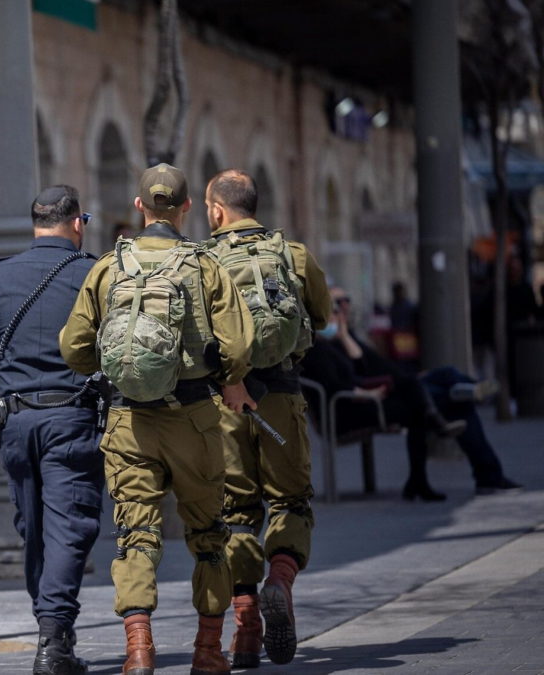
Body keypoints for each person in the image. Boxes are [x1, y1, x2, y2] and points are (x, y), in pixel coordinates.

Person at [60, 163, 255, 675]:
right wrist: (226, 376)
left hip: (129, 423)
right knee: (210, 534)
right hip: (194, 418)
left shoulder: (108, 265)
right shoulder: (204, 265)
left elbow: (74, 347)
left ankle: (139, 649)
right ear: (188, 207)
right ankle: (209, 652)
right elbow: (239, 344)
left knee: (134, 534)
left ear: (138, 206)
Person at [201, 169, 331, 668]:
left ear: (216, 211)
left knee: (233, 512)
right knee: (291, 501)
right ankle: (281, 578)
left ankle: (248, 630)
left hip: (225, 401)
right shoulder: (293, 254)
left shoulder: (205, 260)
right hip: (281, 394)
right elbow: (318, 317)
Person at [0, 185, 101, 675]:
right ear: (76, 223)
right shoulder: (92, 274)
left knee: (35, 530)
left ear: (35, 224)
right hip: (71, 417)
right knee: (69, 528)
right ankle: (53, 641)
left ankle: (54, 631)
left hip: (16, 420)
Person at [301, 287, 521, 500]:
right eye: (336, 305)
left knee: (443, 380)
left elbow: (367, 365)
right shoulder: (316, 348)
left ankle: (463, 397)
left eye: (345, 301)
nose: (342, 308)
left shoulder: (340, 338)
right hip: (356, 408)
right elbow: (341, 384)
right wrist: (368, 391)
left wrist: (345, 336)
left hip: (378, 394)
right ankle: (483, 472)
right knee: (450, 400)